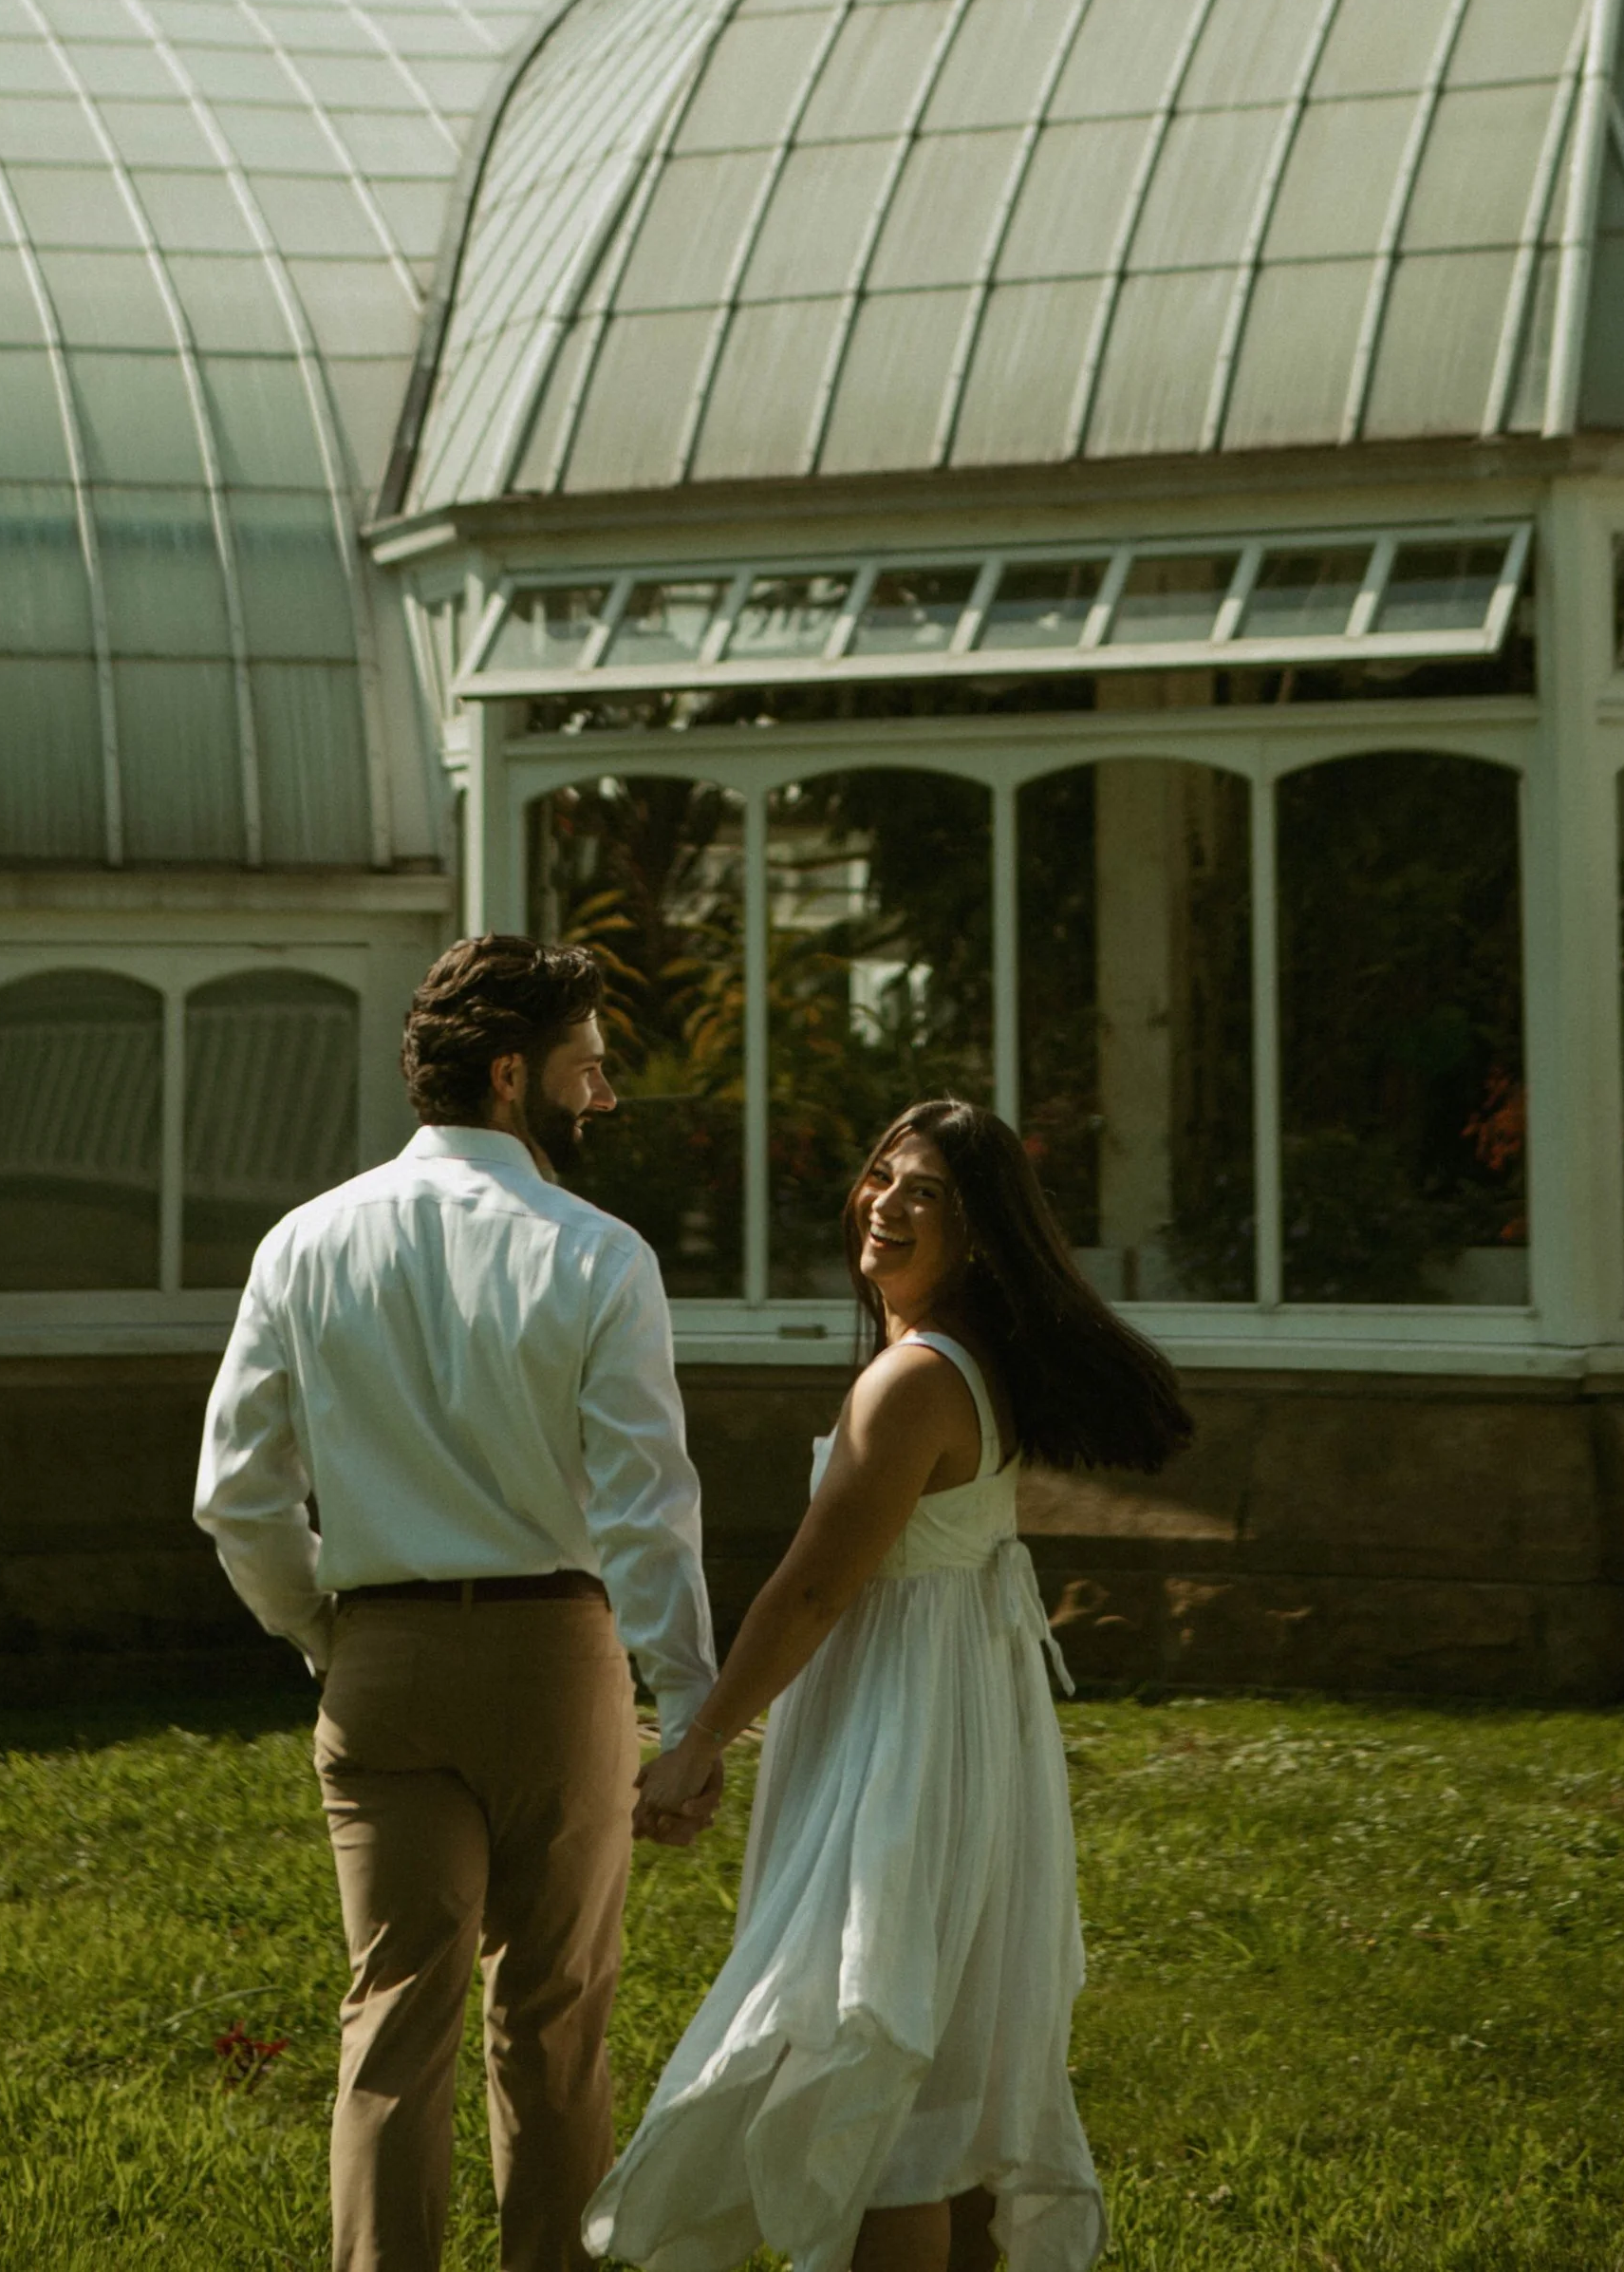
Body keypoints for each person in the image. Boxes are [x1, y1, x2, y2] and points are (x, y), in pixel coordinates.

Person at [587, 1098, 1194, 2272]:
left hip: (901, 1736)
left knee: (878, 2086)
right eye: (883, 1176)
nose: (888, 1203)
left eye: (930, 1195)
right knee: (945, 2075)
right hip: (964, 1720)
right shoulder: (971, 1367)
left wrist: (700, 1738)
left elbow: (812, 1593)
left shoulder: (912, 1382)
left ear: (981, 1239)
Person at [195, 931, 719, 2272]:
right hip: (556, 1657)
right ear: (509, 1073)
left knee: (390, 2020)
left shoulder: (303, 1240)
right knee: (553, 2016)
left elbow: (237, 1494)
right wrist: (692, 1700)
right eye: (588, 1067)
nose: (602, 1095)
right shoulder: (598, 1254)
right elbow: (645, 1506)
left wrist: (327, 1629)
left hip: (379, 1659)